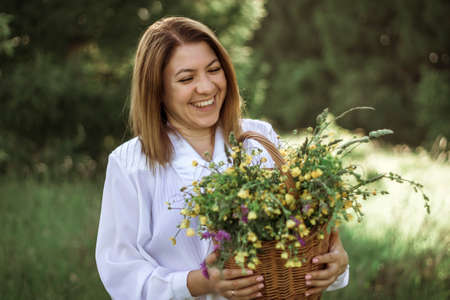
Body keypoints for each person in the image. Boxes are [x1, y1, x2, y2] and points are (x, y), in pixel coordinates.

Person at [95, 16, 349, 300]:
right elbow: (122, 273)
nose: (206, 87)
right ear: (157, 90)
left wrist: (334, 259)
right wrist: (197, 283)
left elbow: (300, 229)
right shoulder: (131, 164)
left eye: (214, 70)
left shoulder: (258, 137)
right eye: (186, 78)